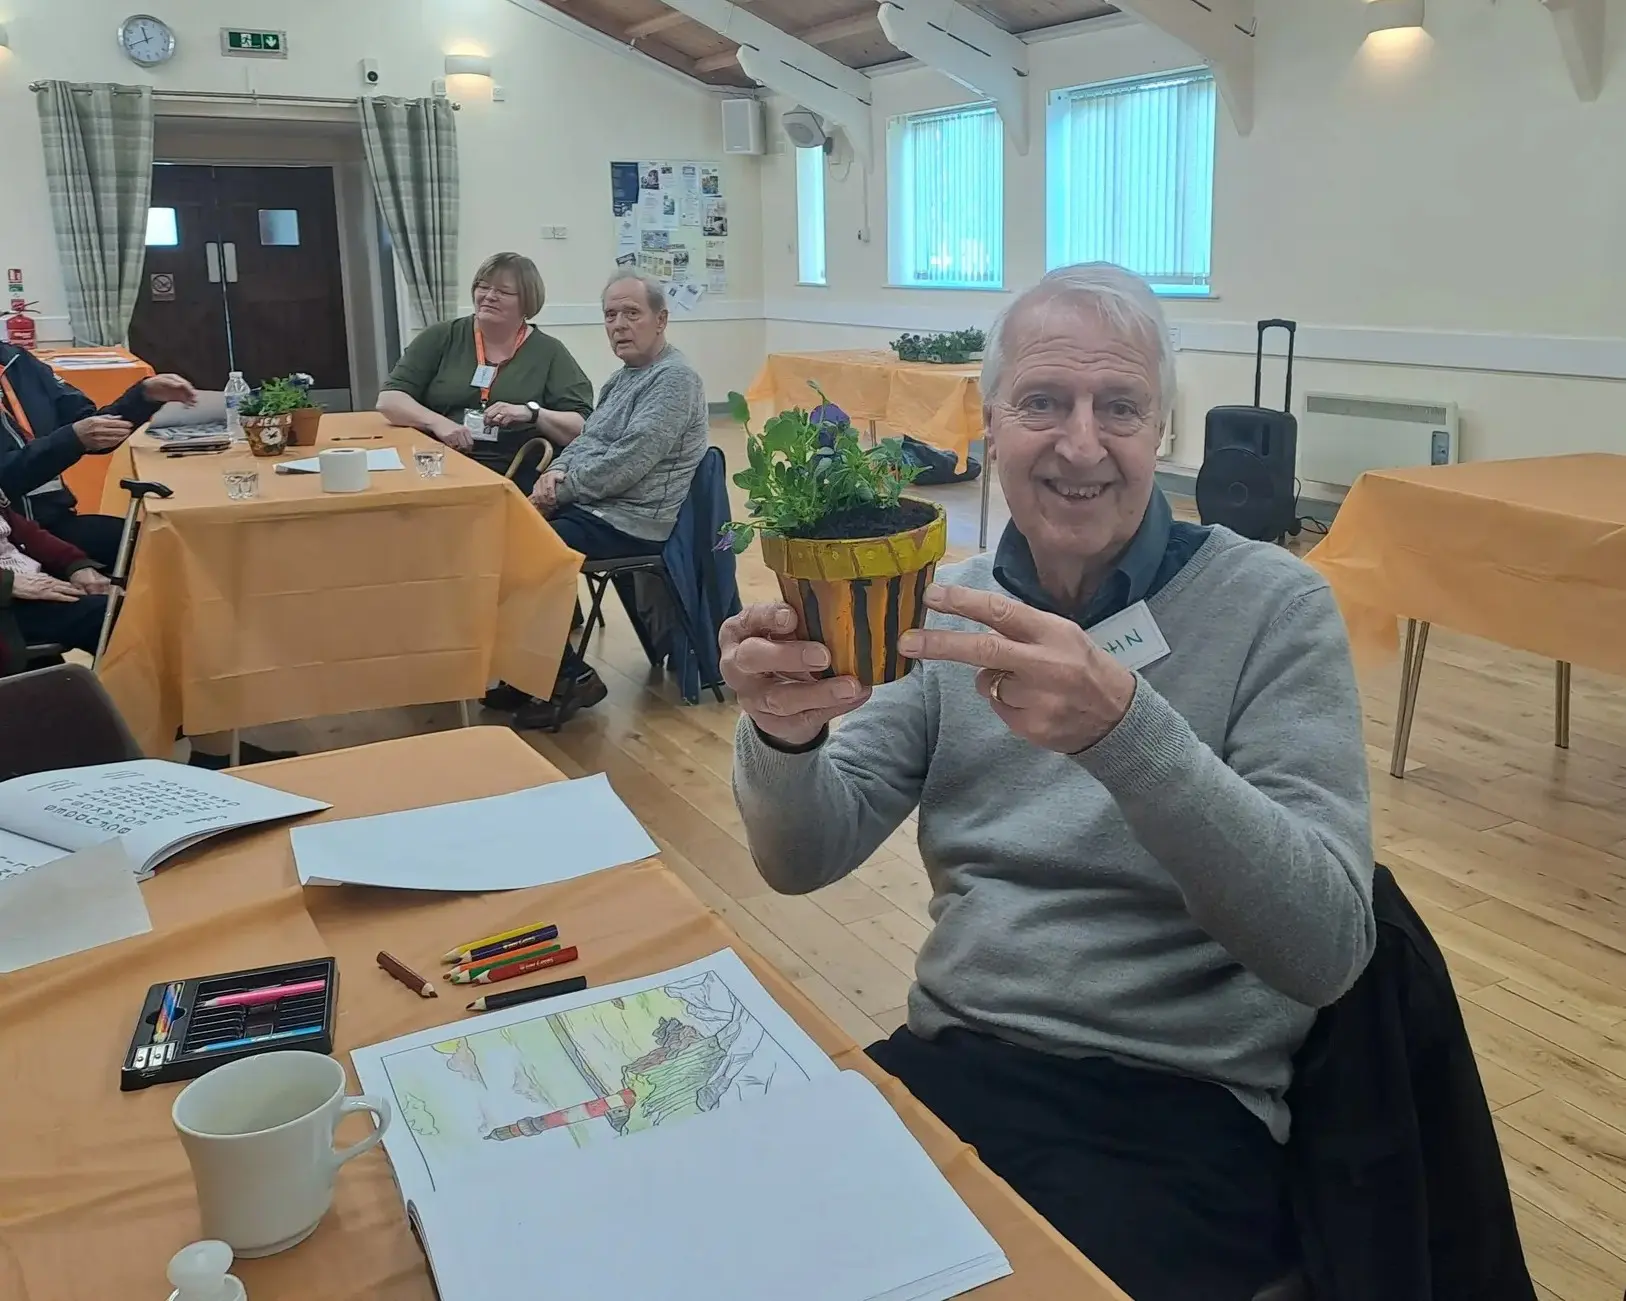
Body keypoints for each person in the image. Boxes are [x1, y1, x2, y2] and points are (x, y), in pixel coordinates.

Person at [722, 264, 1375, 1301]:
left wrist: (1125, 731)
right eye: (1042, 402)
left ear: (1162, 430)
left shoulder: (1274, 608)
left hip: (1175, 1107)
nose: (1080, 444)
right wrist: (783, 734)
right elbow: (802, 856)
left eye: (1120, 407)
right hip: (955, 1058)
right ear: (987, 425)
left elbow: (1328, 945)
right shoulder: (948, 606)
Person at [501, 271, 708, 731]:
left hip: (631, 522)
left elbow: (629, 461)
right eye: (611, 315)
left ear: (661, 320)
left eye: (632, 313)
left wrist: (560, 490)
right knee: (499, 541)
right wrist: (554, 472)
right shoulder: (622, 379)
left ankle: (569, 677)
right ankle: (530, 672)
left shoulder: (675, 380)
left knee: (521, 554)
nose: (619, 325)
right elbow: (587, 442)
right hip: (597, 509)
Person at [376, 252, 596, 492]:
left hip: (514, 470)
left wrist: (531, 413)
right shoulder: (442, 336)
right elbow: (389, 400)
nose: (489, 296)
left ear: (527, 301)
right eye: (483, 287)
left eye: (503, 291)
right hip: (439, 466)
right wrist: (438, 423)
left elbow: (581, 426)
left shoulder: (549, 351)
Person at [0, 341, 196, 566]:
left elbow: (92, 431)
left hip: (55, 524)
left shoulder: (16, 360)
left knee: (171, 544)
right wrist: (72, 439)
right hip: (9, 539)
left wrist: (143, 397)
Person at [0, 487, 111, 673]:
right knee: (110, 615)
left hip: (28, 581)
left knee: (122, 606)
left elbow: (23, 530)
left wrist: (75, 564)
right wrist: (8, 582)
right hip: (9, 603)